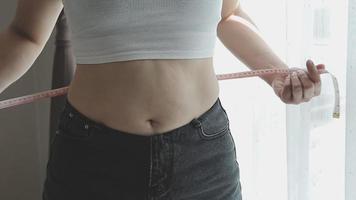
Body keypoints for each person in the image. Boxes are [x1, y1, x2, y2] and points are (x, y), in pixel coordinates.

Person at [0, 0, 323, 199]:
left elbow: (228, 15)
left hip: (202, 159)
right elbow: (25, 34)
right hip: (90, 158)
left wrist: (277, 73)